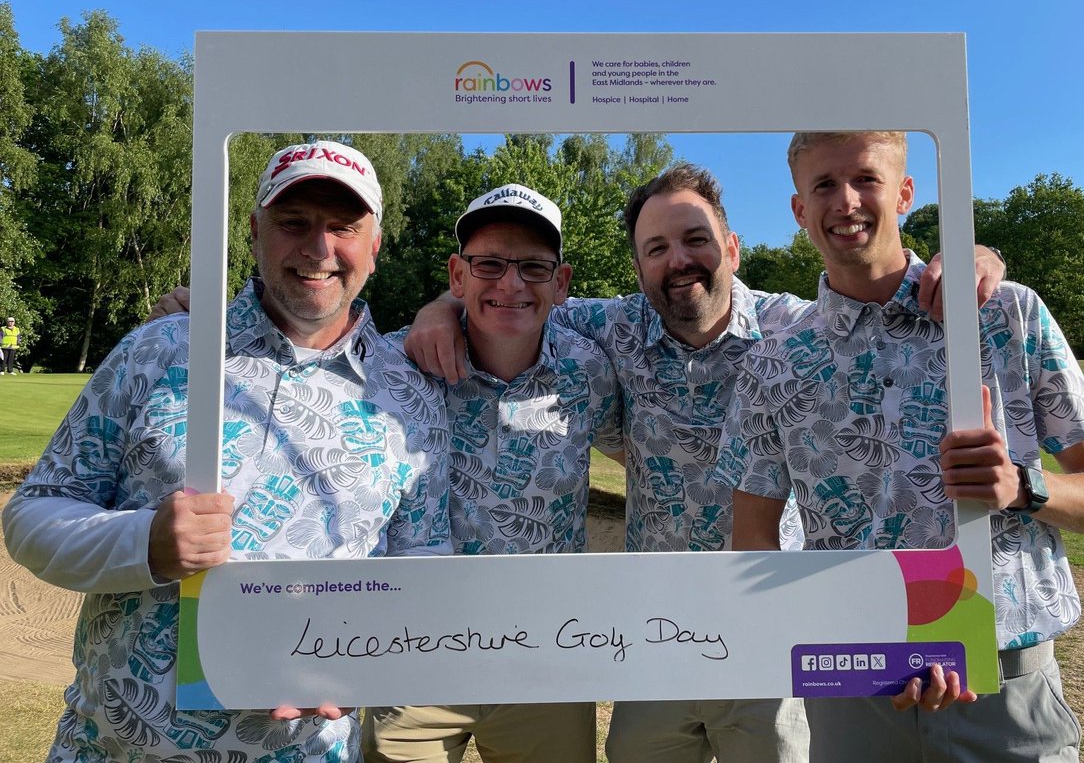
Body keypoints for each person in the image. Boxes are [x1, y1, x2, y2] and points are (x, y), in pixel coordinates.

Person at [404, 163, 1007, 763]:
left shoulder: (799, 329)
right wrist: (438, 310)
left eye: (696, 240)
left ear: (733, 248)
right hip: (656, 632)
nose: (678, 260)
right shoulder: (613, 326)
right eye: (656, 248)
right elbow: (505, 295)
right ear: (639, 267)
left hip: (772, 629)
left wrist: (978, 255)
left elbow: (880, 298)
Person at [2, 140, 452, 763]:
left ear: (375, 246)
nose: (318, 248)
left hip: (307, 751)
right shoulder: (160, 351)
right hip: (111, 748)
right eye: (293, 223)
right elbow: (33, 514)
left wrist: (372, 666)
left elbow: (423, 566)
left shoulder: (413, 395)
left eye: (343, 228)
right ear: (253, 232)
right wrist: (146, 543)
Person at [717, 131, 1084, 762]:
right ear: (799, 210)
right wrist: (822, 652)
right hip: (852, 693)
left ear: (906, 192)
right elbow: (752, 539)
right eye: (824, 185)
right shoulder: (775, 363)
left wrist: (1023, 485)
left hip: (1004, 690)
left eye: (866, 178)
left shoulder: (1004, 317)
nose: (847, 201)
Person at [361, 185, 622, 763]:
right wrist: (192, 325)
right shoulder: (391, 365)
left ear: (562, 283)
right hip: (413, 658)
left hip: (544, 659)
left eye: (533, 267)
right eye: (489, 265)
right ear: (458, 276)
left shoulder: (590, 370)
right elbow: (301, 349)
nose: (511, 284)